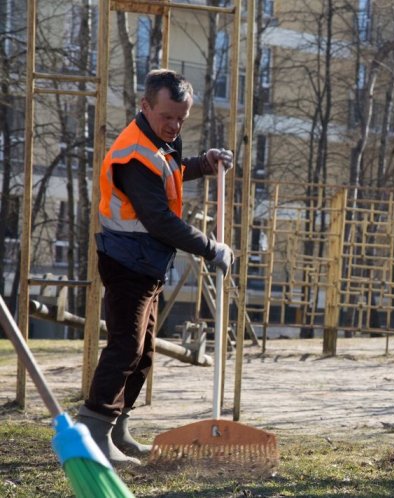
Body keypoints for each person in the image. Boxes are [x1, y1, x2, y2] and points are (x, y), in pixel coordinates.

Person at [76, 69, 235, 466]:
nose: (174, 125)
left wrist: (204, 163)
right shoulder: (134, 155)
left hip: (146, 264)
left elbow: (173, 175)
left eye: (182, 118)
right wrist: (209, 248)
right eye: (168, 116)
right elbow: (159, 218)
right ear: (145, 106)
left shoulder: (157, 142)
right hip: (126, 263)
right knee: (125, 347)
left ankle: (118, 430)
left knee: (143, 352)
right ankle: (94, 434)